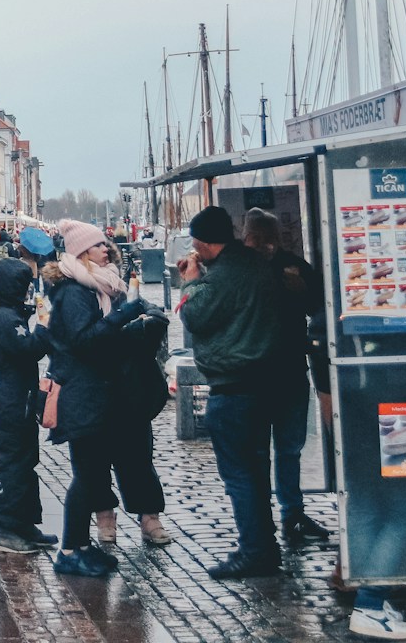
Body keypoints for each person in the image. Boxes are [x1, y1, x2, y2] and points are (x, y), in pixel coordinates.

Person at [47, 220, 171, 577]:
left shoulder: (101, 287)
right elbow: (85, 341)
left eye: (106, 245)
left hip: (104, 393)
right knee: (86, 476)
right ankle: (72, 550)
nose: (107, 249)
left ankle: (81, 547)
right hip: (84, 396)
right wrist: (123, 316)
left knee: (97, 471)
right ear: (82, 252)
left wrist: (136, 325)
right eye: (99, 245)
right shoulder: (73, 292)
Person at [178, 204, 284, 578]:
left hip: (234, 387)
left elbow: (194, 316)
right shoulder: (255, 265)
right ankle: (265, 545)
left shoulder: (222, 277)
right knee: (257, 470)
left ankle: (255, 551)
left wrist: (191, 281)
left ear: (205, 243)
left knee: (240, 475)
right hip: (264, 384)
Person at [244, 209, 330, 543]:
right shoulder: (242, 267)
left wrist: (300, 290)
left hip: (287, 369)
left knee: (287, 448)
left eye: (266, 234)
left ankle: (290, 513)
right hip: (258, 372)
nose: (262, 241)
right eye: (256, 233)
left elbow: (318, 307)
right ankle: (267, 515)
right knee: (265, 451)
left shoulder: (293, 266)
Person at [0, 258, 59, 553]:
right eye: (25, 284)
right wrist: (43, 328)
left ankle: (24, 523)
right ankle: (7, 527)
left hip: (18, 400)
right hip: (9, 403)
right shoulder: (5, 319)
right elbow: (29, 350)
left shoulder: (9, 314)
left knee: (25, 460)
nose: (30, 289)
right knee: (13, 463)